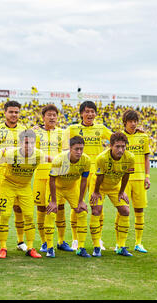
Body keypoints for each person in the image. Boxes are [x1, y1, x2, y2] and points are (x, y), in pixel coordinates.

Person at [62, 101, 112, 250]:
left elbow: (117, 139)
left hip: (97, 172)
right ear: (82, 113)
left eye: (92, 111)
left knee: (98, 205)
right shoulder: (72, 129)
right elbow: (65, 147)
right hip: (78, 171)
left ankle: (99, 239)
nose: (90, 114)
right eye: (87, 111)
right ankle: (75, 239)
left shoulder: (100, 128)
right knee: (76, 205)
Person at [0, 129, 47, 259]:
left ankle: (30, 247)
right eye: (25, 143)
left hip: (25, 188)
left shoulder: (38, 154)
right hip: (8, 185)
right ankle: (3, 247)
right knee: (5, 215)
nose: (28, 145)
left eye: (31, 143)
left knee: (29, 216)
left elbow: (51, 159)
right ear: (19, 143)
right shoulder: (10, 153)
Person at [0, 101, 28, 253]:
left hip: (17, 173)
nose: (14, 115)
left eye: (16, 112)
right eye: (11, 112)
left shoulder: (24, 130)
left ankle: (20, 241)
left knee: (18, 208)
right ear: (5, 113)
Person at [31, 104, 72, 253]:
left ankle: (61, 241)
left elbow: (66, 153)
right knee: (42, 209)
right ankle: (44, 242)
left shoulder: (62, 133)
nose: (52, 117)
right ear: (43, 117)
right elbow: (32, 152)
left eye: (55, 115)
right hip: (40, 175)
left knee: (60, 208)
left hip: (57, 176)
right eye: (49, 115)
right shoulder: (35, 132)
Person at [90, 132, 135, 257]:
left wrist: (122, 192)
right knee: (96, 211)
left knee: (125, 210)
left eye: (123, 146)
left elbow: (126, 175)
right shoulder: (102, 158)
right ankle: (96, 246)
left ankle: (121, 246)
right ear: (111, 146)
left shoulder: (130, 158)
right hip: (99, 187)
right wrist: (96, 192)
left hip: (115, 187)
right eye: (117, 146)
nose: (120, 150)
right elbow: (99, 177)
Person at [46, 136, 91, 258]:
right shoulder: (59, 160)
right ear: (70, 148)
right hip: (57, 187)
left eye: (81, 149)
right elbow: (51, 180)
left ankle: (80, 247)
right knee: (50, 213)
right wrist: (54, 201)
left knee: (82, 212)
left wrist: (81, 201)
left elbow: (83, 181)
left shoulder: (86, 160)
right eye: (76, 149)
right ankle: (50, 247)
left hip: (72, 188)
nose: (79, 152)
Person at [118, 109, 151, 253]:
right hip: (123, 179)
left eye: (135, 121)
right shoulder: (118, 137)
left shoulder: (144, 137)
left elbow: (146, 158)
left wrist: (147, 177)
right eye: (130, 121)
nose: (133, 123)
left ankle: (138, 243)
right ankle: (121, 244)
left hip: (139, 178)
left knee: (139, 210)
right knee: (122, 210)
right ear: (125, 122)